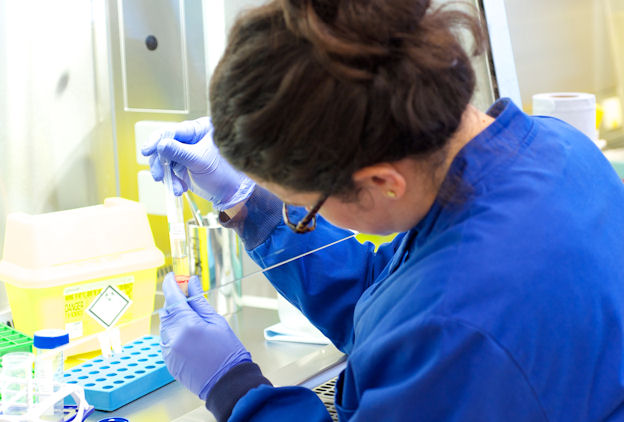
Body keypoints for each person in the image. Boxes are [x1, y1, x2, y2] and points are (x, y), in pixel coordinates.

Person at [142, 0, 624, 420]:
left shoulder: (455, 331)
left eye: (303, 209)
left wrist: (234, 389)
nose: (297, 212)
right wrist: (253, 205)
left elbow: (436, 322)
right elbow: (398, 296)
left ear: (382, 182)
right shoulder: (556, 148)